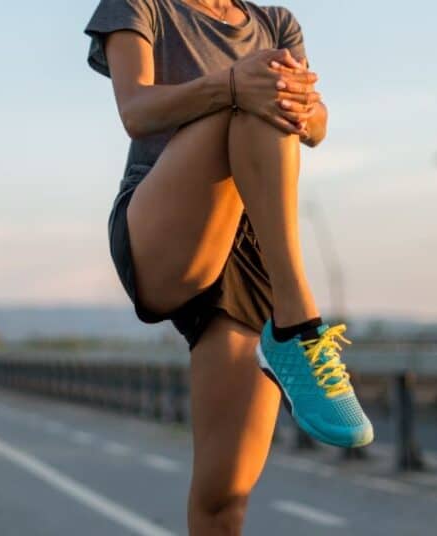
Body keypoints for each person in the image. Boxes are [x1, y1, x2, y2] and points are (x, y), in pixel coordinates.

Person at [84, 0, 373, 533]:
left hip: (250, 249)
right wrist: (236, 86)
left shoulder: (275, 25)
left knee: (224, 496)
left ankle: (287, 334)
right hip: (164, 220)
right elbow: (136, 111)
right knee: (249, 98)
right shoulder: (140, 6)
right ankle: (299, 327)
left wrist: (296, 103)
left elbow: (317, 126)